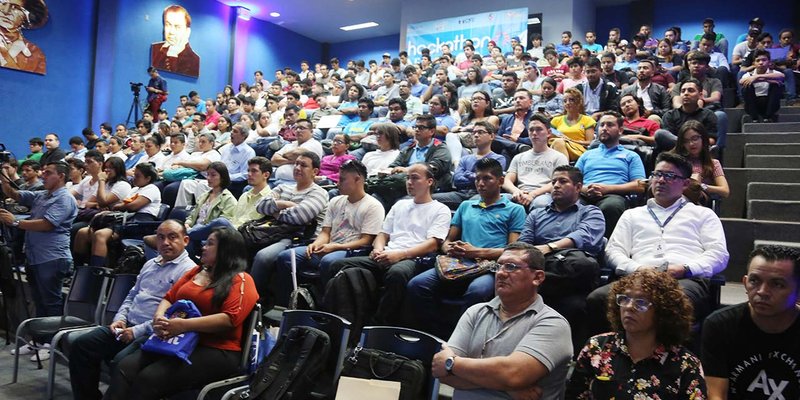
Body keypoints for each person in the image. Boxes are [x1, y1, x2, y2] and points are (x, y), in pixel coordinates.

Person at [585, 152, 730, 338]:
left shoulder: (703, 215)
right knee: (598, 298)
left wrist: (686, 269)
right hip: (637, 276)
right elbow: (614, 250)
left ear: (685, 183)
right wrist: (638, 269)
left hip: (684, 279)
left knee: (672, 301)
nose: (660, 180)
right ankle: (607, 358)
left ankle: (667, 362)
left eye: (669, 176)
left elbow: (719, 254)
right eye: (656, 174)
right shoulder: (632, 215)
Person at [108, 227, 258, 399]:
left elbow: (229, 319)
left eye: (210, 244)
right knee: (124, 366)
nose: (203, 247)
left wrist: (182, 326)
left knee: (149, 378)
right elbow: (169, 298)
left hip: (216, 348)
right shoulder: (196, 272)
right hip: (177, 339)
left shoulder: (242, 280)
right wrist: (159, 317)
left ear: (226, 249)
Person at [68, 220, 196, 400]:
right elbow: (132, 295)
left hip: (152, 334)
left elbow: (173, 315)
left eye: (172, 237)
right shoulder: (150, 264)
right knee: (82, 345)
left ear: (186, 240)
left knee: (121, 363)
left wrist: (135, 331)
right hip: (126, 325)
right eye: (160, 237)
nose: (165, 242)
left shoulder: (189, 271)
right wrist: (119, 318)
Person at [431, 242, 572, 400]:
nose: (501, 273)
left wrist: (452, 363)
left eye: (511, 267)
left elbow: (513, 375)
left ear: (537, 277)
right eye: (498, 266)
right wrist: (505, 387)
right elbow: (442, 372)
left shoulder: (552, 324)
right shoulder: (476, 312)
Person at [407, 158, 526, 338]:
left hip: (491, 266)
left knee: (477, 291)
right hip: (458, 262)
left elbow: (512, 251)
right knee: (417, 285)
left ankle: (461, 339)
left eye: (487, 179)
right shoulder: (466, 205)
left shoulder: (514, 210)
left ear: (501, 181)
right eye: (478, 179)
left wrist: (476, 251)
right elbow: (447, 241)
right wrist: (450, 248)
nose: (480, 183)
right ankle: (435, 335)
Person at [328, 163, 451, 325]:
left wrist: (400, 255)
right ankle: (348, 318)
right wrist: (378, 249)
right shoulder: (400, 205)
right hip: (386, 253)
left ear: (429, 182)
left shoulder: (440, 209)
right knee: (336, 265)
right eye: (407, 178)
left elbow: (432, 244)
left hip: (413, 258)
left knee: (397, 273)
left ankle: (379, 323)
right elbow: (382, 234)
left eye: (414, 178)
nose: (409, 182)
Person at [566, 269, 707, 399]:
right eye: (625, 299)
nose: (628, 307)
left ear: (663, 311)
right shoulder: (596, 347)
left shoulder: (685, 364)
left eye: (641, 302)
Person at [273, 160, 384, 306]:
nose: (338, 183)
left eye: (343, 179)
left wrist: (335, 247)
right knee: (286, 257)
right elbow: (325, 232)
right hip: (329, 247)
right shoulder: (336, 201)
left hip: (350, 251)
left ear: (358, 179)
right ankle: (286, 305)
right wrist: (316, 244)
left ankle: (325, 307)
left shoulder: (373, 206)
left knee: (328, 261)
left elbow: (366, 241)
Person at [702, 245, 800, 400]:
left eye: (777, 284)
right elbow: (716, 395)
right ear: (745, 282)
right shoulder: (720, 325)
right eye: (755, 281)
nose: (762, 291)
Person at [1, 162, 77, 359]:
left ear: (61, 176)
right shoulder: (43, 195)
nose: (43, 175)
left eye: (48, 173)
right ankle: (37, 339)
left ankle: (50, 343)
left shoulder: (65, 199)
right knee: (38, 300)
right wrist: (3, 176)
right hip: (35, 256)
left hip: (52, 256)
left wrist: (16, 222)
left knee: (51, 302)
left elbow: (47, 224)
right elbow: (15, 195)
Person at [250, 151, 328, 306]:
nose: (297, 168)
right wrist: (285, 204)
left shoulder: (319, 193)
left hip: (298, 239)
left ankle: (251, 302)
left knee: (263, 256)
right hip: (273, 233)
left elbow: (299, 217)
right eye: (296, 164)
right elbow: (260, 206)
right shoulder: (283, 187)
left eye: (303, 165)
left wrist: (275, 211)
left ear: (315, 172)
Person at [575, 111, 646, 237]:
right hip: (585, 193)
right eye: (602, 125)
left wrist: (607, 189)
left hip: (614, 195)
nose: (604, 128)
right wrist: (586, 189)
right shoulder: (587, 154)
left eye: (610, 125)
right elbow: (573, 180)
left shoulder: (631, 155)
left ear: (620, 130)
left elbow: (640, 185)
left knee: (611, 206)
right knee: (570, 203)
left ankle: (603, 247)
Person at [432, 121, 506, 210]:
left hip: (481, 194)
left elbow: (488, 181)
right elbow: (457, 180)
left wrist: (467, 173)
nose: (476, 135)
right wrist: (474, 177)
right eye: (474, 132)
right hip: (461, 194)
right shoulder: (465, 158)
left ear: (492, 136)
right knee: (430, 198)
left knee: (471, 203)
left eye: (480, 132)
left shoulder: (498, 158)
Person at [671, 120, 730, 204]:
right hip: (674, 198)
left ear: (703, 139)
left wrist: (700, 186)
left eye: (695, 139)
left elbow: (725, 191)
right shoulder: (676, 161)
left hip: (699, 203)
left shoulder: (713, 163)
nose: (691, 144)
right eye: (686, 141)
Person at [150, 5, 199, 77]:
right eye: (168, 25)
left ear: (187, 32)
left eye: (177, 27)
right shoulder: (155, 49)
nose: (171, 32)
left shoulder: (194, 60)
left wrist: (173, 54)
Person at [0, 0, 48, 74]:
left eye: (15, 8)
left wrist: (8, 57)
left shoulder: (34, 54)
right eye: (2, 4)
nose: (6, 11)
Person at [550, 88, 596, 162]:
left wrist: (570, 141)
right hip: (558, 147)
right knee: (558, 142)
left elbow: (589, 142)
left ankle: (563, 170)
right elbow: (550, 139)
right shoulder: (556, 120)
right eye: (565, 101)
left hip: (578, 150)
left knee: (559, 142)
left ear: (578, 102)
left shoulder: (588, 120)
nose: (567, 103)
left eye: (571, 100)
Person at [740, 48, 785, 123]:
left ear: (769, 62)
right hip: (753, 104)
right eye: (758, 60)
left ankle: (768, 117)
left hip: (769, 104)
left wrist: (757, 77)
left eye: (764, 60)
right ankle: (754, 118)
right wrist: (767, 79)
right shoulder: (749, 74)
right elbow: (741, 81)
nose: (761, 63)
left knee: (776, 85)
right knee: (746, 87)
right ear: (754, 63)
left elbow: (782, 76)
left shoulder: (773, 72)